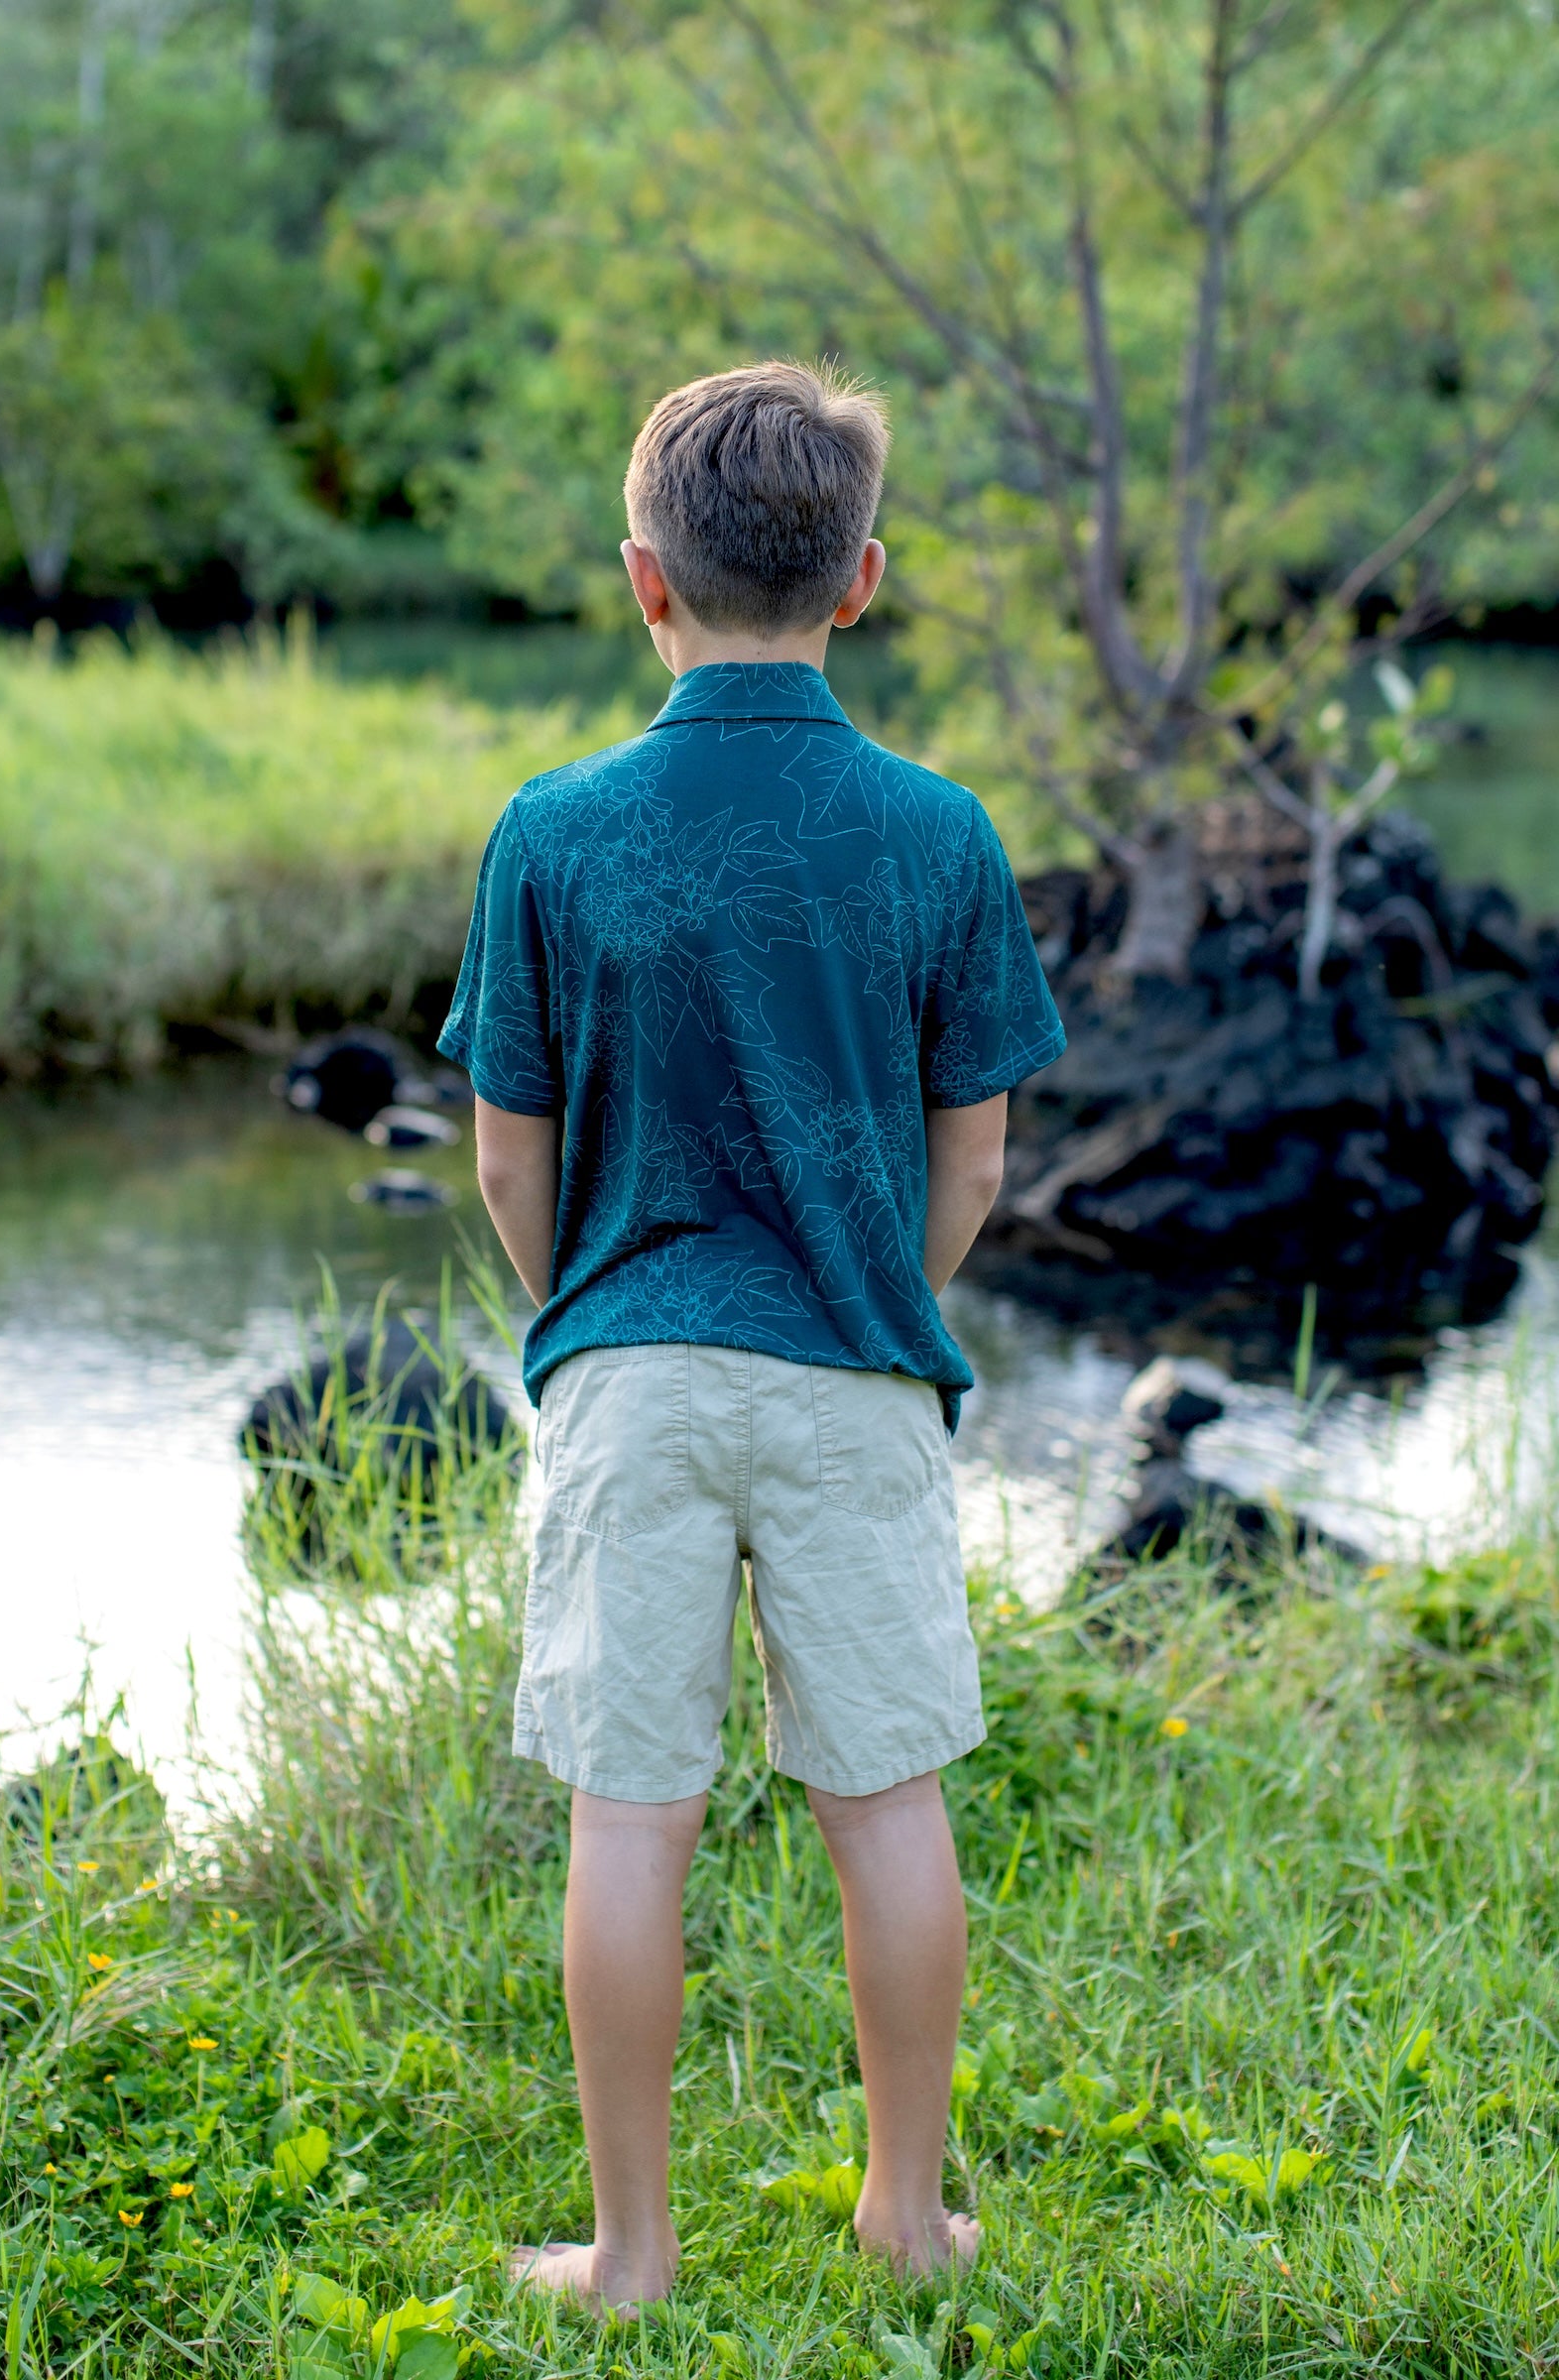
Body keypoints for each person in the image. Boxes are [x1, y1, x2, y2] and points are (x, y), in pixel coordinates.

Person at [438, 359, 1065, 2311]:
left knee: (633, 1813)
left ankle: (628, 2253)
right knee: (883, 1801)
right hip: (853, 1360)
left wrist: (592, 1323)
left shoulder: (550, 831)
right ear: (858, 579)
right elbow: (971, 1160)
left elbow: (503, 1163)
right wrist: (890, 1290)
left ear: (644, 582)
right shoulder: (937, 831)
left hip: (628, 1358)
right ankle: (898, 2212)